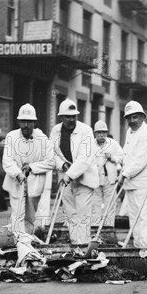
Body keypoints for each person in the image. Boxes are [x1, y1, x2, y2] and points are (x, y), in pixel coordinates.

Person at [50, 98, 98, 245]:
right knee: (70, 213)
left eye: (74, 116)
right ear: (61, 117)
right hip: (65, 176)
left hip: (84, 178)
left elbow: (85, 157)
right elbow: (51, 152)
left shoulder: (86, 130)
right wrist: (63, 165)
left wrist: (70, 174)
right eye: (68, 116)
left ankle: (83, 244)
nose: (71, 119)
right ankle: (75, 242)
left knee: (83, 214)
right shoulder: (56, 130)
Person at [2, 104, 54, 234]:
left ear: (35, 122)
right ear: (18, 122)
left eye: (29, 122)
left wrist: (32, 167)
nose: (25, 125)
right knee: (17, 214)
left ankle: (28, 243)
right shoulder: (11, 137)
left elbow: (50, 162)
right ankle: (18, 241)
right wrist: (18, 173)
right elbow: (7, 161)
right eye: (23, 121)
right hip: (16, 182)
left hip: (34, 184)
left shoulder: (42, 138)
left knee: (31, 217)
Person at [117, 101, 147, 258]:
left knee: (145, 217)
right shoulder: (129, 132)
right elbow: (126, 154)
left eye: (135, 117)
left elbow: (139, 161)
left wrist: (124, 174)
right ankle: (138, 247)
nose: (132, 120)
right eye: (129, 118)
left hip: (144, 183)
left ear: (142, 117)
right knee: (134, 217)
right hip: (131, 182)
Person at [92, 120, 123, 228]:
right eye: (99, 132)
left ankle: (108, 228)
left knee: (110, 204)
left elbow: (122, 157)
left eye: (103, 132)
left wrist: (112, 158)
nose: (101, 135)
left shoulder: (113, 144)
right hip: (95, 179)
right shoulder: (90, 144)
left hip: (109, 179)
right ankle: (95, 228)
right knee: (95, 204)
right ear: (95, 133)